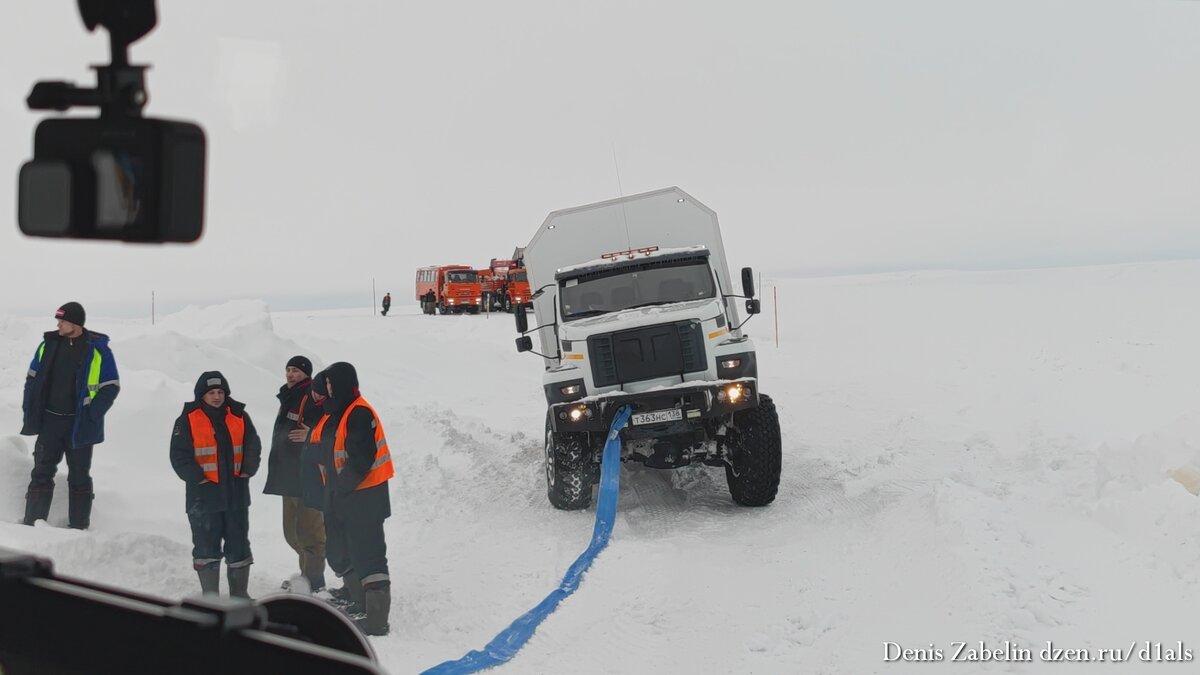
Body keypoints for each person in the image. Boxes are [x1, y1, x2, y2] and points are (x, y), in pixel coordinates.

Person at [310, 362, 394, 635]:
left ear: (343, 383)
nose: (328, 388)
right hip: (348, 496)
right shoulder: (341, 411)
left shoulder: (357, 412)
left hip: (365, 497)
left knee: (370, 557)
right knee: (352, 551)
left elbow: (360, 459)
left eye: (332, 383)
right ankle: (359, 601)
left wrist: (340, 488)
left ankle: (377, 620)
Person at [21, 301, 120, 530]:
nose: (58, 325)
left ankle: (78, 527)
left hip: (79, 425)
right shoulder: (49, 344)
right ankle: (32, 525)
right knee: (41, 472)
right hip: (50, 422)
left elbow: (110, 386)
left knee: (79, 476)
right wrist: (29, 407)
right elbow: (32, 379)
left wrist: (91, 415)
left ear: (75, 323)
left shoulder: (97, 349)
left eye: (62, 321)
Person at [170, 372, 262, 597]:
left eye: (220, 392)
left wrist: (248, 469)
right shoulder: (187, 419)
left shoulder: (239, 415)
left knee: (239, 546)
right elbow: (179, 455)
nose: (217, 397)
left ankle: (239, 595)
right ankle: (210, 596)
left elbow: (253, 444)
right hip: (203, 497)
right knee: (206, 547)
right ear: (202, 395)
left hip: (236, 496)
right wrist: (198, 478)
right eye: (211, 393)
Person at [262, 356, 327, 592]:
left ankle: (315, 583)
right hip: (287, 475)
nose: (291, 374)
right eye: (288, 370)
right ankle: (305, 576)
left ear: (307, 374)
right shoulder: (289, 396)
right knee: (292, 533)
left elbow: (331, 427)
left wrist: (312, 435)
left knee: (310, 533)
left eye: (296, 371)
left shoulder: (311, 396)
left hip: (308, 475)